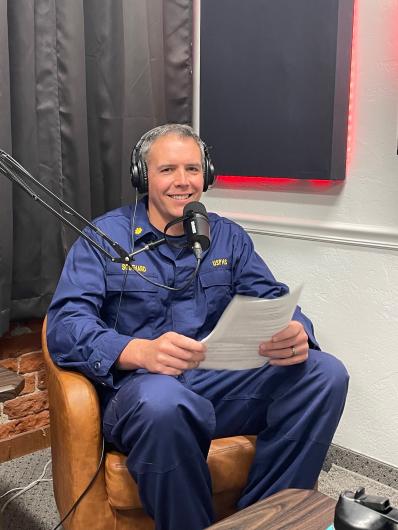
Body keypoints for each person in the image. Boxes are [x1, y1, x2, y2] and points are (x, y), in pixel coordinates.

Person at [47, 123, 349, 530]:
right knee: (165, 402)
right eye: (167, 170)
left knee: (324, 373)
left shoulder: (227, 236)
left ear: (206, 174)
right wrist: (138, 351)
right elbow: (65, 324)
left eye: (192, 169)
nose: (182, 182)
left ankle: (262, 518)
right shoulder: (104, 237)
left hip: (216, 382)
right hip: (143, 391)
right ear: (143, 176)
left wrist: (295, 330)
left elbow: (271, 299)